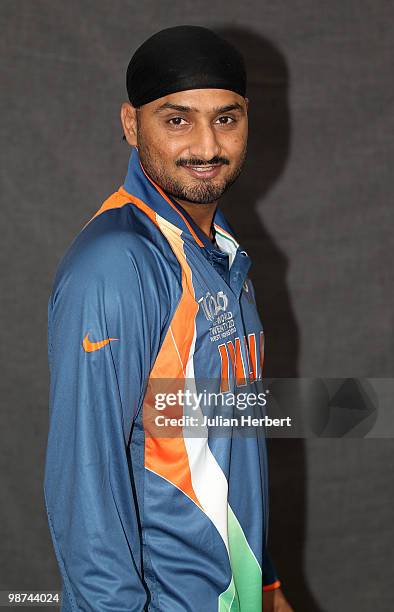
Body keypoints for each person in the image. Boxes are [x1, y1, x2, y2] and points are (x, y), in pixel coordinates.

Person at [43, 25, 294, 612]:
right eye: (177, 119)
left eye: (226, 119)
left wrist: (268, 582)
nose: (207, 146)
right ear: (132, 125)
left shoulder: (223, 253)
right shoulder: (116, 263)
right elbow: (85, 482)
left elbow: (227, 440)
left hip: (237, 592)